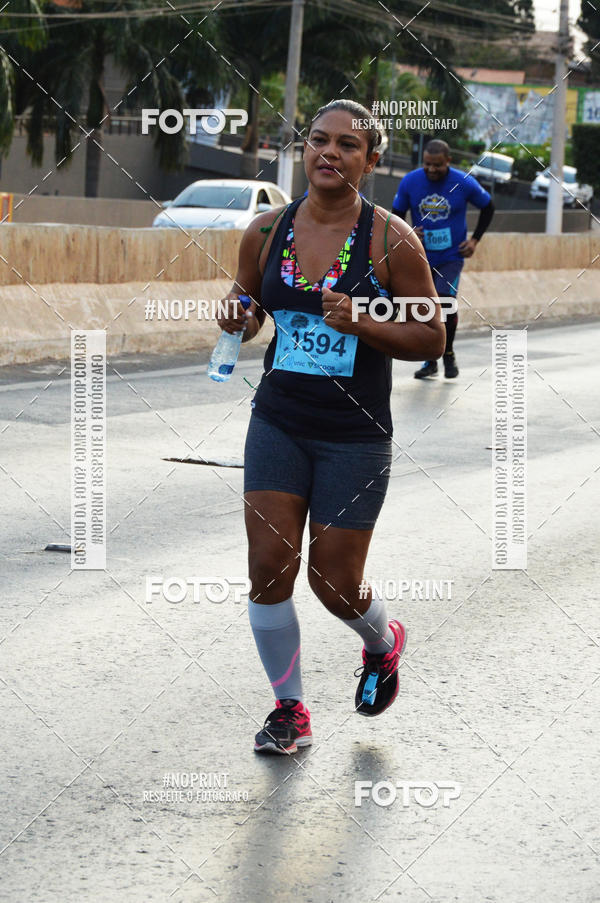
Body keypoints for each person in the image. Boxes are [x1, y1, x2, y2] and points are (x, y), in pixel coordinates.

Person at [216, 99, 445, 755]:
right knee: (268, 565)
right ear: (303, 150)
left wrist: (362, 324)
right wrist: (238, 315)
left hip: (355, 432)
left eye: (348, 145)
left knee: (333, 582)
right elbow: (251, 306)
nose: (329, 153)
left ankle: (381, 642)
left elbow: (431, 336)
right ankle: (289, 709)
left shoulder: (391, 240)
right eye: (319, 140)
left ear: (370, 162)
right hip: (279, 420)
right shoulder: (264, 231)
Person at [392, 138, 495, 379]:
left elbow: (489, 207)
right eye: (427, 164)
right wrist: (407, 231)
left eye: (437, 165)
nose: (431, 169)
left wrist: (475, 240)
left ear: (448, 161)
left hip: (451, 256)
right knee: (426, 306)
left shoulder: (464, 182)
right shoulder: (410, 181)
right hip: (420, 256)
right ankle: (430, 361)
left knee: (445, 302)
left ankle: (447, 353)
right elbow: (395, 213)